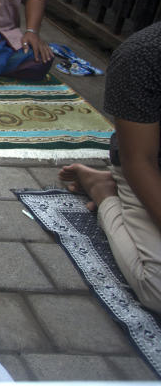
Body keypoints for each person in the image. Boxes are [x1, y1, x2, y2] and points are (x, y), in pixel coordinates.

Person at [59, 21, 161, 313]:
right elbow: (139, 161)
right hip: (146, 168)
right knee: (157, 288)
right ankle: (105, 193)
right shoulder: (146, 55)